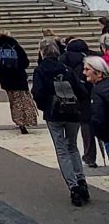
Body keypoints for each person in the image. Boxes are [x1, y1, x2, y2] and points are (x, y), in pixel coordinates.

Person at [32, 37, 89, 205]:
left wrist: (46, 107)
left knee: (61, 149)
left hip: (54, 113)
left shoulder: (40, 70)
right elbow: (81, 90)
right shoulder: (66, 68)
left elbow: (38, 92)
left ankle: (74, 187)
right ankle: (81, 180)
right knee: (73, 147)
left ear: (42, 53)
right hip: (73, 113)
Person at [0, 33, 37, 132]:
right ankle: (28, 119)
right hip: (19, 77)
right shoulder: (16, 46)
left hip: (6, 78)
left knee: (14, 100)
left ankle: (19, 121)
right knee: (24, 98)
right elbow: (26, 62)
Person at [63, 37, 97, 167]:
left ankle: (89, 156)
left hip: (82, 99)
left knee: (86, 127)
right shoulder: (94, 59)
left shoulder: (68, 61)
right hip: (97, 94)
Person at [84, 55, 109, 161]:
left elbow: (98, 116)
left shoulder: (97, 91)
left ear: (99, 73)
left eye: (87, 69)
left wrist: (100, 134)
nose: (84, 72)